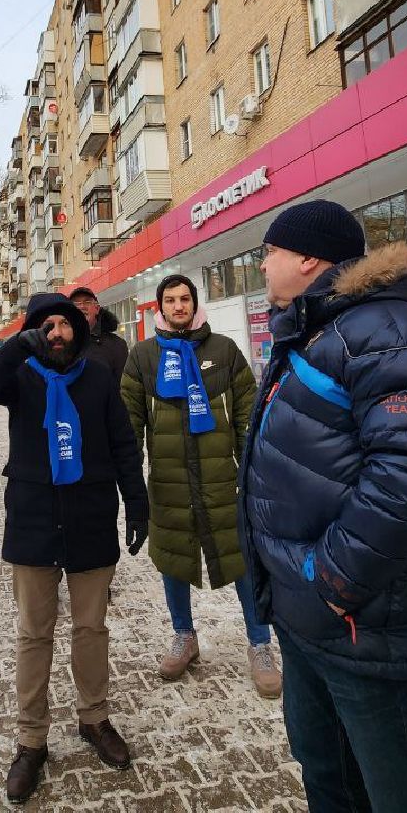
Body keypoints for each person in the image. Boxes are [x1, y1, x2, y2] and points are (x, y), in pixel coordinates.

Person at [239, 198, 407, 813]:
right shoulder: (319, 327)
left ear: (308, 258)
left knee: (401, 792)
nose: (263, 266)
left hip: (365, 620)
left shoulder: (386, 328)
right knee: (328, 774)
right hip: (310, 616)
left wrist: (333, 579)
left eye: (271, 253)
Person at [0, 292, 151, 806]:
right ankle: (31, 740)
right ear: (33, 333)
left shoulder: (97, 377)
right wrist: (15, 345)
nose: (56, 332)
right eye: (44, 326)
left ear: (77, 328)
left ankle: (94, 719)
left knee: (91, 627)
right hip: (32, 521)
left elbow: (122, 444)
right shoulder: (19, 376)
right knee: (34, 632)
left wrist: (136, 505)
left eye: (63, 324)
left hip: (91, 520)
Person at [119, 273, 277, 697]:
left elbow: (248, 410)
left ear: (194, 303)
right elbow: (129, 423)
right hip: (168, 480)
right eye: (170, 300)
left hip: (222, 479)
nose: (178, 306)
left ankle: (260, 644)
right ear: (160, 307)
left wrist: (252, 467)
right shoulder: (144, 357)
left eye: (185, 298)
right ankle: (184, 636)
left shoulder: (223, 351)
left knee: (241, 557)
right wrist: (130, 479)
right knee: (173, 561)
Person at [70, 286, 128, 375]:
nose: (82, 306)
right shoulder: (61, 342)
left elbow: (122, 385)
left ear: (97, 308)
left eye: (87, 302)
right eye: (76, 303)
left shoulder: (117, 345)